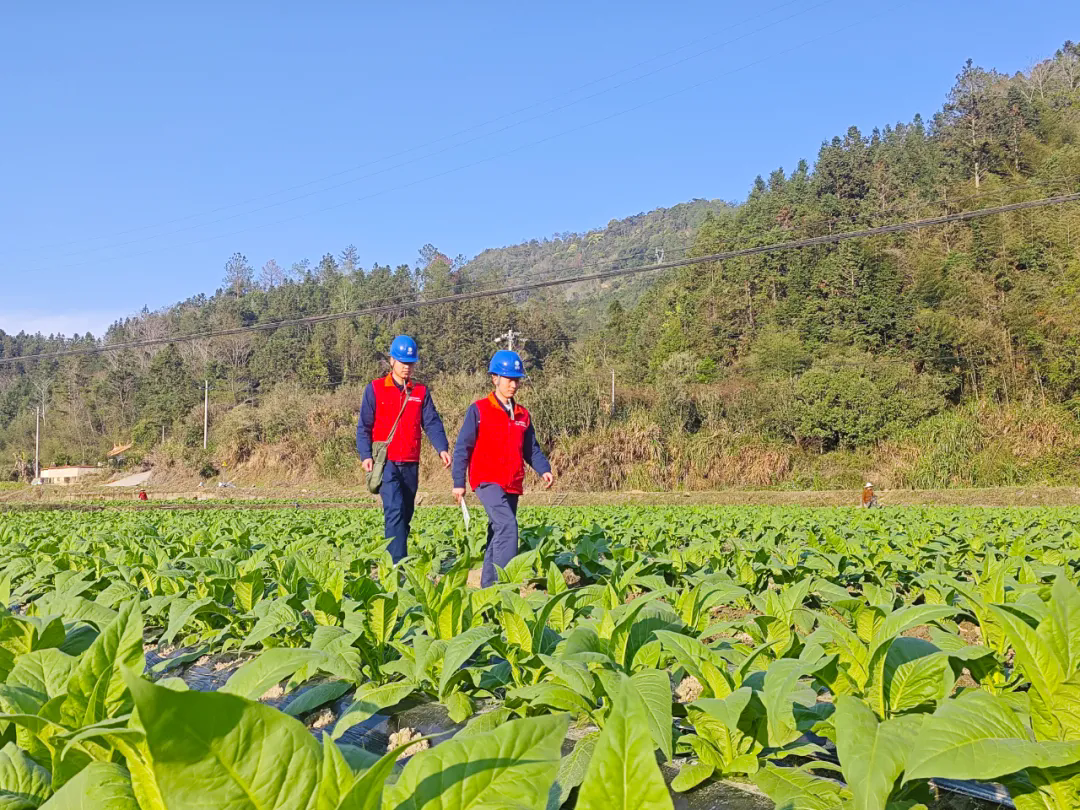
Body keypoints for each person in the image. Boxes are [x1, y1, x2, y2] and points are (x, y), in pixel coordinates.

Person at [452, 349, 554, 587]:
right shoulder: (479, 410)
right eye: (509, 379)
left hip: (512, 482)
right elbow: (462, 448)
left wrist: (544, 469)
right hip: (486, 480)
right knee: (508, 527)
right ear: (495, 378)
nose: (513, 385)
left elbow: (531, 449)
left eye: (516, 380)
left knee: (497, 533)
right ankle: (504, 586)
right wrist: (458, 482)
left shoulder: (522, 415)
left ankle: (488, 588)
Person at [357, 335, 451, 562]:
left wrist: (442, 448)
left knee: (406, 513)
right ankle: (396, 566)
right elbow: (364, 426)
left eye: (410, 363)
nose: (406, 367)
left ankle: (396, 556)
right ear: (392, 361)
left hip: (410, 462)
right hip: (386, 462)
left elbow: (431, 422)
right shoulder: (375, 389)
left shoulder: (420, 392)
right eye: (402, 362)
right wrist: (365, 455)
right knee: (395, 510)